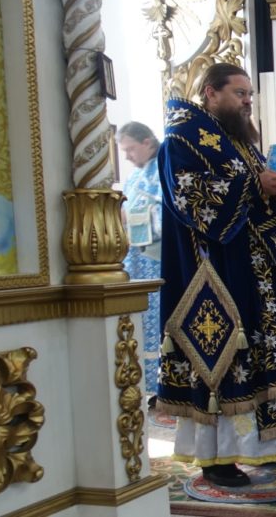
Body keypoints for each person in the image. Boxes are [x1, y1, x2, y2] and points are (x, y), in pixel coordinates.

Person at [157, 63, 276, 487]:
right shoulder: (183, 139)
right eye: (240, 93)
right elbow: (190, 198)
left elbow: (256, 195)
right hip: (218, 276)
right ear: (211, 92)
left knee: (264, 358)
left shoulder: (237, 141)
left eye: (249, 95)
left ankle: (268, 446)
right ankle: (217, 458)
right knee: (225, 362)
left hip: (261, 273)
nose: (247, 101)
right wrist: (255, 185)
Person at [118, 122, 162, 401]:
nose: (127, 156)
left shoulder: (165, 168)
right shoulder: (134, 178)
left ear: (147, 142)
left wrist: (131, 217)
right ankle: (146, 386)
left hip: (159, 260)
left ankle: (164, 386)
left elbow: (167, 214)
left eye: (131, 149)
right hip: (135, 262)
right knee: (140, 323)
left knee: (159, 321)